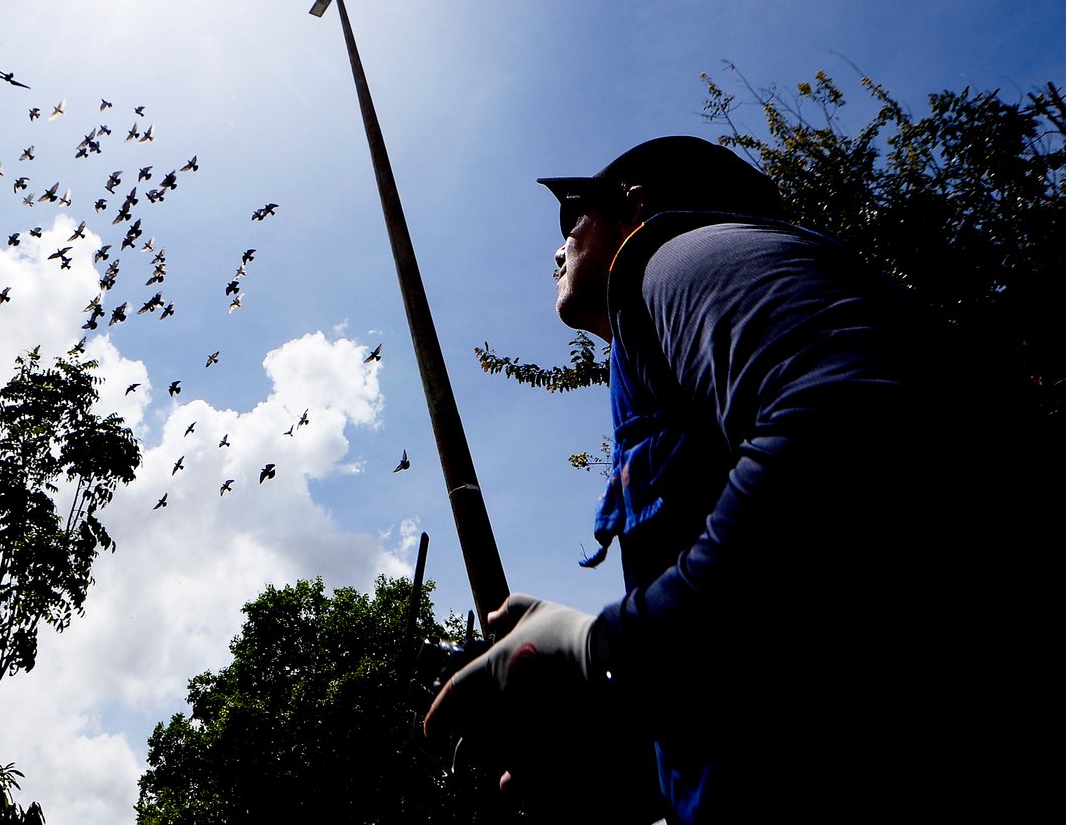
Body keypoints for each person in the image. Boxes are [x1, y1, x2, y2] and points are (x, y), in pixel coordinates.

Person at [423, 135, 1031, 823]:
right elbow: (795, 644)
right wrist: (631, 760)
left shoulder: (678, 259)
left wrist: (603, 647)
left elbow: (855, 429)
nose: (558, 248)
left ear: (635, 205)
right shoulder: (659, 345)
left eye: (573, 215)